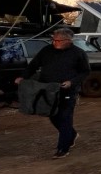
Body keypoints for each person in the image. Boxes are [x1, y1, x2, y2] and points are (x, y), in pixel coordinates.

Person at [15, 27, 90, 158]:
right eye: (53, 40)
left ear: (68, 41)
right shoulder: (47, 50)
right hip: (48, 89)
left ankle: (63, 148)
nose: (54, 42)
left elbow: (85, 72)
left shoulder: (78, 53)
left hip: (67, 90)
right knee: (53, 115)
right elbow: (33, 65)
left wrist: (71, 82)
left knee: (65, 117)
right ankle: (71, 135)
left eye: (58, 40)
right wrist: (23, 77)